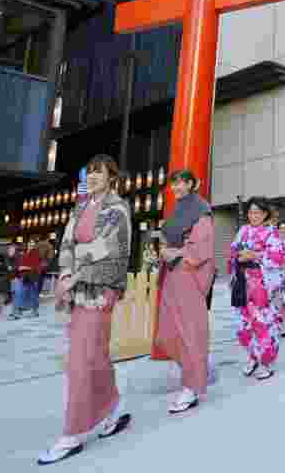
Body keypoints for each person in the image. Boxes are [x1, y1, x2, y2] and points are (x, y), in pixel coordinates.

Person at [39, 155, 133, 465]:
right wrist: (65, 273)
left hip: (100, 288)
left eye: (99, 172)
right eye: (89, 172)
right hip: (78, 288)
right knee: (95, 355)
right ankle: (112, 408)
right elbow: (66, 242)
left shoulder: (118, 208)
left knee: (81, 358)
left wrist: (74, 271)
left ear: (112, 177)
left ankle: (73, 432)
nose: (93, 177)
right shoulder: (80, 207)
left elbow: (109, 247)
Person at [155, 169, 215, 415]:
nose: (177, 187)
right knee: (169, 332)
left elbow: (202, 246)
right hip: (172, 273)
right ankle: (197, 369)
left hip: (189, 274)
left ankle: (191, 386)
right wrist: (163, 249)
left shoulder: (201, 209)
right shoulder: (178, 209)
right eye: (174, 183)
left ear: (192, 184)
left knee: (190, 330)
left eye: (182, 182)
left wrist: (176, 253)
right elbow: (167, 240)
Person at [229, 197, 285, 380]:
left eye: (257, 212)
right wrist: (237, 256)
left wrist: (254, 255)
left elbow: (278, 258)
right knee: (243, 324)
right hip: (242, 281)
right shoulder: (243, 230)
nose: (253, 216)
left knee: (262, 322)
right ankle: (253, 356)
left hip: (261, 283)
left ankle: (266, 361)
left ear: (265, 214)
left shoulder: (272, 233)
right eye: (251, 212)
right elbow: (232, 251)